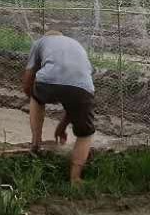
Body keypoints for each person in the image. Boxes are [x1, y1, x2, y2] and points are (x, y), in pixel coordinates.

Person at [22, 29, 96, 183]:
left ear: (47, 36)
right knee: (84, 134)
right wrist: (62, 127)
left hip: (49, 80)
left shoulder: (41, 42)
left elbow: (28, 78)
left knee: (37, 98)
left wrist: (33, 96)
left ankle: (36, 142)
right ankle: (75, 178)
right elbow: (75, 96)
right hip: (83, 87)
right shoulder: (77, 45)